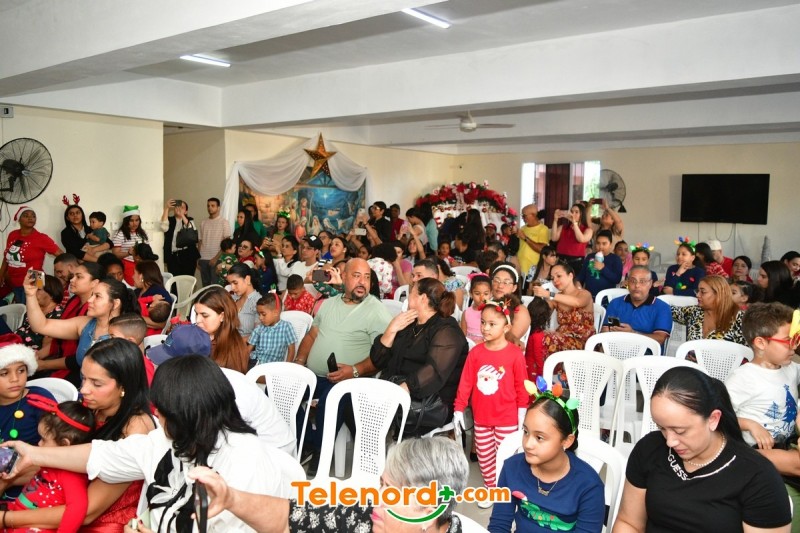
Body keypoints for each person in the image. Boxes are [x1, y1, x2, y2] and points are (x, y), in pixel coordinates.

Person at [5, 355, 299, 533]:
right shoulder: (168, 439)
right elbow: (104, 455)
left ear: (187, 414)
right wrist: (34, 453)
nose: (155, 415)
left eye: (162, 411)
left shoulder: (244, 460)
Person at [0, 337, 155, 531]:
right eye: (83, 378)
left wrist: (6, 518)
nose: (84, 390)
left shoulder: (136, 429)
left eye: (96, 384)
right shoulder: (91, 408)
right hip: (56, 501)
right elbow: (55, 463)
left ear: (124, 386)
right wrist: (8, 480)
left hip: (97, 523)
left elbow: (87, 512)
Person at [613, 366, 792, 532]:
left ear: (713, 419)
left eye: (680, 431)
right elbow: (629, 522)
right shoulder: (650, 449)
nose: (670, 441)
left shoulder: (757, 476)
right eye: (662, 428)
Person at [186, 436, 469, 533]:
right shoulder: (365, 517)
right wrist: (232, 499)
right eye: (382, 485)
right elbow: (289, 520)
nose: (378, 499)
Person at [293, 258, 392, 472]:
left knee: (330, 399)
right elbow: (312, 336)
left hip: (351, 380)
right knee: (282, 390)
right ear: (344, 277)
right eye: (356, 276)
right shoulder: (329, 304)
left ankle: (319, 450)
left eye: (366, 277)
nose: (362, 282)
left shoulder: (376, 310)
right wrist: (299, 362)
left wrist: (354, 371)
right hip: (315, 376)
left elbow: (383, 356)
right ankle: (309, 441)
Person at [146, 325, 296, 455]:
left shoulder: (228, 388)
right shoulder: (200, 382)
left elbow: (232, 442)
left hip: (272, 452)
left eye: (169, 364)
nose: (165, 369)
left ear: (191, 365)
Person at [489, 385, 605, 533]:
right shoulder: (511, 468)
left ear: (567, 441)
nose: (528, 444)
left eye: (539, 437)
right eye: (526, 432)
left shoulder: (589, 486)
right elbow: (498, 525)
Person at [454, 300, 528, 496]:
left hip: (507, 418)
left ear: (506, 327)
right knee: (485, 456)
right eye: (483, 322)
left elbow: (521, 387)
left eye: (492, 324)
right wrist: (459, 408)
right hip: (482, 418)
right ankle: (491, 489)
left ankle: (506, 490)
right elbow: (466, 382)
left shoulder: (515, 354)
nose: (485, 328)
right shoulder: (476, 352)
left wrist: (522, 414)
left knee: (506, 457)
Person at [5, 397, 95, 533]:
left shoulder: (71, 475)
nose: (39, 444)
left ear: (64, 444)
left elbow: (77, 508)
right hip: (17, 513)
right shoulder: (50, 463)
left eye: (43, 439)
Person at [726, 302, 799, 450]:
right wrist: (750, 424)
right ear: (761, 343)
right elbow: (720, 415)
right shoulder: (743, 378)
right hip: (754, 451)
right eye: (788, 341)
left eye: (796, 339)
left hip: (787, 444)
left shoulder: (791, 368)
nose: (794, 346)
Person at [24, 271, 133, 370]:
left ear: (115, 303)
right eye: (92, 295)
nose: (90, 300)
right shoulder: (85, 324)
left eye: (97, 296)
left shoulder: (125, 334)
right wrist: (30, 295)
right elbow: (41, 326)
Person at [0, 337, 57, 500]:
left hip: (28, 483)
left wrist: (7, 482)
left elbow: (56, 454)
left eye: (21, 370)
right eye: (4, 373)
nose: (15, 379)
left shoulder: (39, 400)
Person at [31, 263, 103, 385]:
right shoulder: (74, 301)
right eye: (73, 276)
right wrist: (37, 355)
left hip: (78, 370)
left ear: (94, 283)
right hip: (58, 358)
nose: (72, 280)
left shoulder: (93, 312)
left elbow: (79, 358)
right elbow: (58, 339)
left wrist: (43, 365)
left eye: (79, 277)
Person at [531, 263, 595, 361]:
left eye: (559, 276)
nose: (555, 280)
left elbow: (577, 302)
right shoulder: (556, 298)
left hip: (583, 341)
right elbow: (542, 314)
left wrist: (549, 294)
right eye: (552, 278)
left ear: (570, 275)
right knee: (535, 336)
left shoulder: (584, 294)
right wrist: (538, 297)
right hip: (561, 337)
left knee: (546, 339)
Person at [0, 207, 63, 303]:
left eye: (33, 216)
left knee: (32, 309)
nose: (30, 218)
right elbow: (7, 257)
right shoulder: (12, 235)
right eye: (26, 216)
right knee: (21, 309)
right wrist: (1, 274)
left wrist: (60, 273)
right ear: (19, 219)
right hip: (14, 281)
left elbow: (61, 255)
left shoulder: (41, 238)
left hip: (35, 279)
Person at [601, 265, 672, 348]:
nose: (637, 285)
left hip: (647, 353)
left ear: (650, 284)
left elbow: (660, 338)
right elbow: (607, 330)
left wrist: (633, 334)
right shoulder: (616, 303)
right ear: (627, 282)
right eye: (633, 281)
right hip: (616, 349)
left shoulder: (662, 308)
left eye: (642, 281)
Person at [671, 275, 746, 345]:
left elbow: (747, 350)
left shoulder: (740, 319)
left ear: (718, 294)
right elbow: (668, 310)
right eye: (698, 291)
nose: (697, 295)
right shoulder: (695, 311)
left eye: (703, 292)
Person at [193, 286, 250, 374]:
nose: (197, 320)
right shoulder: (197, 336)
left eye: (205, 315)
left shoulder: (233, 350)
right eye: (196, 314)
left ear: (222, 316)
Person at [15, 274, 64, 357]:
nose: (34, 292)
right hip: (15, 347)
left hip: (29, 356)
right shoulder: (34, 310)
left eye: (38, 289)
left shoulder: (58, 315)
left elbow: (47, 348)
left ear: (52, 294)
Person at [247, 294, 296, 366]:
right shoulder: (259, 329)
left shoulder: (286, 327)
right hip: (255, 361)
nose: (260, 318)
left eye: (263, 314)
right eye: (259, 314)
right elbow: (249, 349)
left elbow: (291, 350)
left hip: (273, 366)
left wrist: (286, 367)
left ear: (275, 313)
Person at [107, 313, 156, 385]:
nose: (108, 341)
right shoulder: (111, 357)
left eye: (112, 337)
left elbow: (146, 390)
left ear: (130, 341)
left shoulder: (144, 367)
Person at [490, 263, 531, 347]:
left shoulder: (520, 311)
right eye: (496, 280)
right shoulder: (485, 302)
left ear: (514, 288)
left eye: (506, 282)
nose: (500, 286)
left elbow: (509, 341)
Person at [576, 229, 623, 298]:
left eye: (604, 244)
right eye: (598, 243)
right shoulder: (590, 257)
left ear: (610, 244)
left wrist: (603, 268)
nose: (600, 246)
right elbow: (581, 276)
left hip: (606, 298)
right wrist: (578, 285)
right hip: (588, 297)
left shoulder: (615, 259)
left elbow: (617, 279)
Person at [160, 199, 200, 277]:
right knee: (175, 280)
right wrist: (167, 208)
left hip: (188, 255)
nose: (179, 209)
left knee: (187, 280)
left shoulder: (189, 220)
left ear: (186, 211)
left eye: (182, 207)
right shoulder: (169, 220)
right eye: (177, 207)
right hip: (173, 256)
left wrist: (182, 215)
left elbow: (191, 230)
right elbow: (163, 228)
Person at [111, 205, 149, 286]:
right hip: (128, 264)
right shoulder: (120, 234)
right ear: (126, 221)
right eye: (131, 221)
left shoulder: (142, 233)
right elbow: (115, 254)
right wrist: (128, 253)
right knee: (135, 284)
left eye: (137, 220)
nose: (134, 223)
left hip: (142, 263)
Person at [198, 197, 231, 287]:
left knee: (217, 285)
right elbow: (200, 241)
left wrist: (216, 258)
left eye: (213, 206)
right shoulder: (203, 222)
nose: (210, 208)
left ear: (218, 207)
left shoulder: (224, 222)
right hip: (203, 259)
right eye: (208, 206)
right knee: (205, 286)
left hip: (217, 259)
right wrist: (198, 258)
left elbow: (226, 244)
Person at [133, 261, 173, 334]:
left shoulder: (160, 294)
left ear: (141, 276)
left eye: (134, 273)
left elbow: (162, 324)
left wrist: (133, 317)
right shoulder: (137, 292)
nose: (132, 277)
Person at [551, 204, 593, 275]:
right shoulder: (563, 227)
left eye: (576, 212)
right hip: (561, 259)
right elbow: (554, 238)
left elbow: (581, 239)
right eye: (571, 211)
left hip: (576, 261)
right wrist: (555, 220)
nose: (573, 214)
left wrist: (574, 223)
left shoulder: (588, 230)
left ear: (582, 215)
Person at [226, 263, 260, 340]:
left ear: (247, 279)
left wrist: (235, 344)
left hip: (245, 345)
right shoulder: (233, 299)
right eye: (230, 284)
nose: (232, 287)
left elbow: (258, 335)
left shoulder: (258, 302)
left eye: (235, 283)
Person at [524, 297, 553, 380]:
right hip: (533, 368)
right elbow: (538, 356)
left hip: (525, 364)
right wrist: (542, 372)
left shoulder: (527, 328)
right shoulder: (538, 334)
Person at [517, 207, 550, 278]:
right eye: (522, 215)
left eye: (524, 215)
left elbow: (542, 249)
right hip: (520, 266)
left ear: (533, 215)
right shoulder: (523, 228)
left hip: (533, 268)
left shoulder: (543, 229)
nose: (522, 218)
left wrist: (525, 238)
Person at [461, 274, 491, 343]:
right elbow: (463, 336)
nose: (482, 297)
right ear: (471, 294)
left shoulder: (493, 313)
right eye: (477, 294)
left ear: (491, 294)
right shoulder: (466, 313)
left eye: (486, 294)